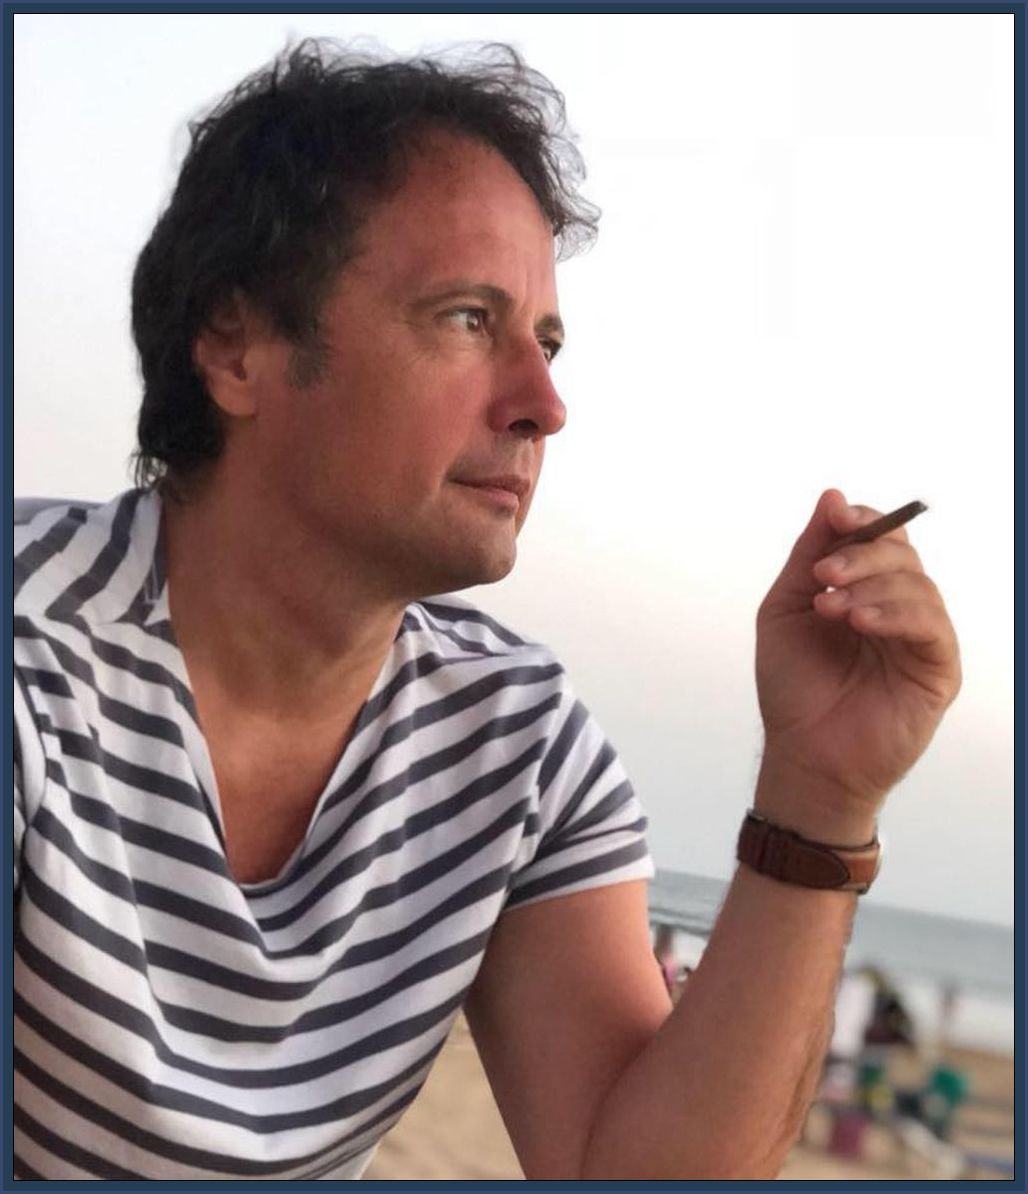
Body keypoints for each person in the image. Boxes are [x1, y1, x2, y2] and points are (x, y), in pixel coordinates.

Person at [13, 40, 961, 1180]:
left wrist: (820, 797)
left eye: (546, 343)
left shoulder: (516, 746)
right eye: (467, 319)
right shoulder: (31, 644)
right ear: (237, 347)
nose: (543, 404)